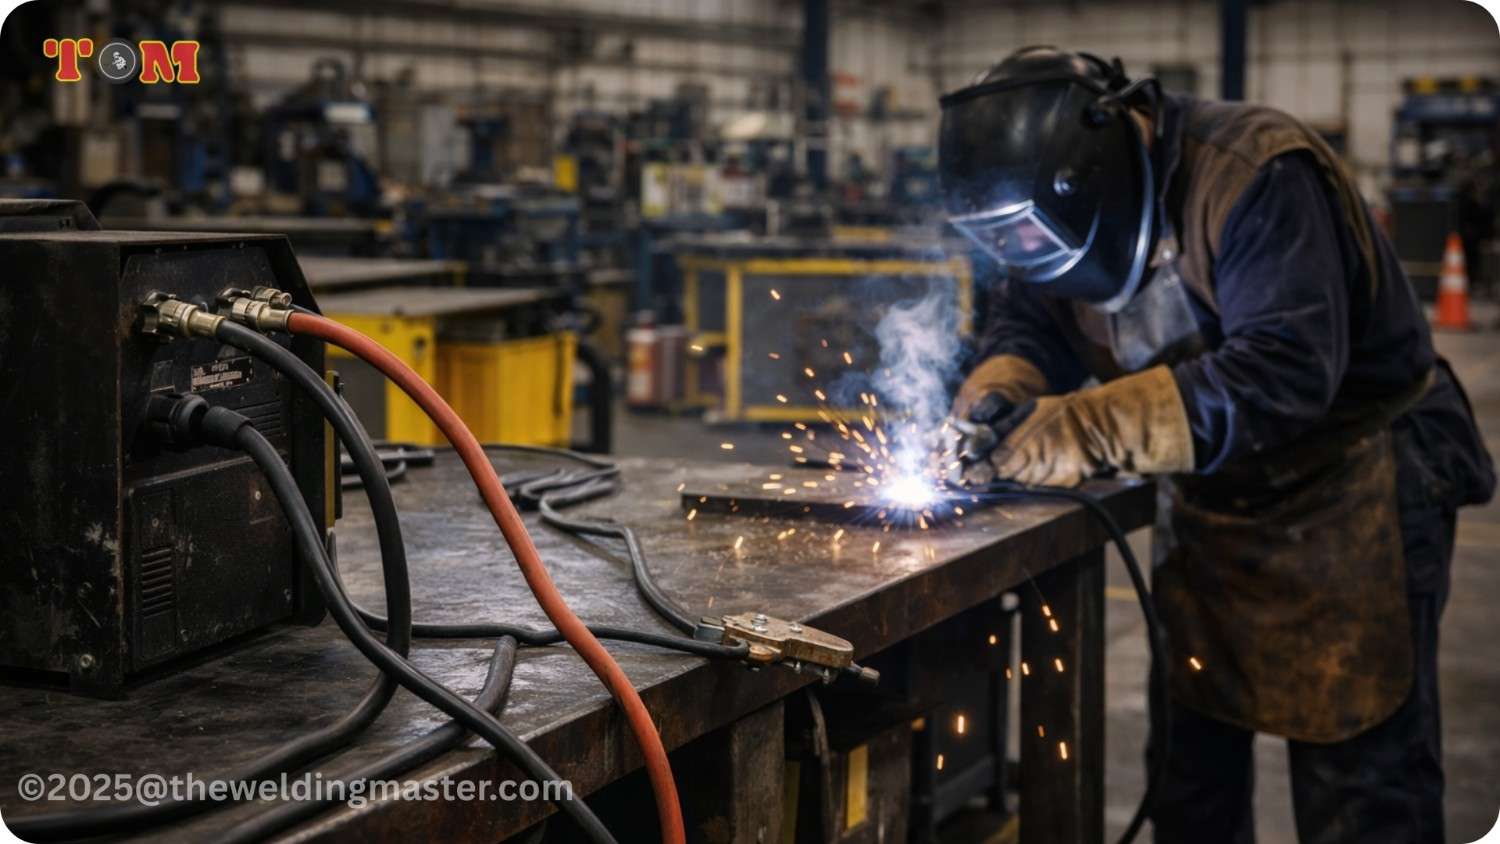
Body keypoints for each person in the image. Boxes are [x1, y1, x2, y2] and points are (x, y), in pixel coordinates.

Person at [942, 46, 1494, 843]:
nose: (1030, 252)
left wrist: (1088, 427)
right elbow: (1032, 319)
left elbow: (1285, 372)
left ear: (1107, 152)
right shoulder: (1048, 208)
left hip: (1354, 488)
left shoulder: (1256, 172)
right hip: (1213, 498)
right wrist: (1001, 390)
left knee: (1360, 789)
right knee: (1191, 778)